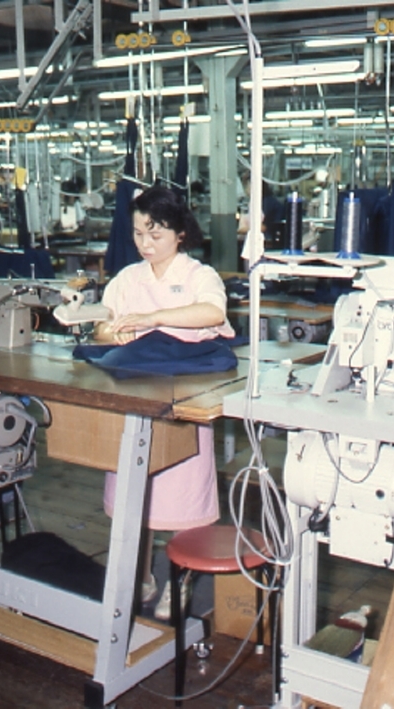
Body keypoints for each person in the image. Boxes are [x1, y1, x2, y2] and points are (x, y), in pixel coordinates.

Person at [94, 185, 235, 620]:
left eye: (155, 234)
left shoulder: (198, 276)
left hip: (183, 400)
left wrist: (153, 319)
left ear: (179, 233)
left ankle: (180, 580)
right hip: (135, 395)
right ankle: (141, 577)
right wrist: (112, 333)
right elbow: (102, 326)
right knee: (133, 497)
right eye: (138, 234)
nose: (145, 244)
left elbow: (212, 313)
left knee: (183, 498)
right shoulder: (127, 279)